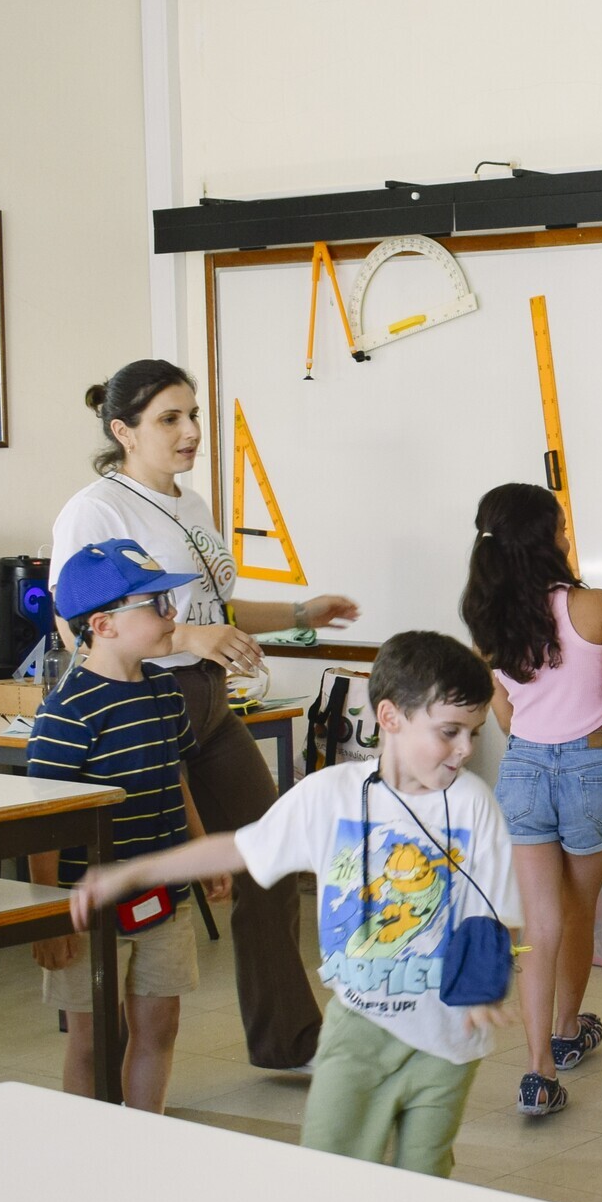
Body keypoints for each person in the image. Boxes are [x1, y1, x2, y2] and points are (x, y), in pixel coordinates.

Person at [71, 632, 523, 1178]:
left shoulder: (474, 804)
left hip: (448, 1039)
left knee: (422, 1180)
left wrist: (484, 986)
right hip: (357, 1029)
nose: (465, 749)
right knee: (329, 1171)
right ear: (390, 716)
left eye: (473, 733)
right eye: (449, 732)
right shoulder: (329, 796)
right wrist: (133, 872)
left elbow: (493, 913)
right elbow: (238, 847)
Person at [53, 361, 361, 1072]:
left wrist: (299, 612)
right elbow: (79, 625)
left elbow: (213, 607)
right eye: (170, 418)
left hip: (207, 703)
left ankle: (289, 1043)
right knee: (133, 880)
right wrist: (186, 639)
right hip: (137, 706)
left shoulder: (190, 504)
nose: (191, 431)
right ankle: (100, 1061)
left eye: (193, 414)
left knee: (273, 855)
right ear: (124, 430)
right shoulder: (96, 510)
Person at [463, 483, 602, 1116]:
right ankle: (567, 1028)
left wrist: (532, 741)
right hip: (589, 769)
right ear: (543, 538)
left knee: (540, 924)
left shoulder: (489, 616)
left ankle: (538, 1072)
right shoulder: (595, 604)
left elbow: (502, 708)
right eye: (559, 526)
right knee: (580, 911)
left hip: (523, 769)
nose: (566, 534)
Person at [26, 539, 224, 1112]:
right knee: (93, 1040)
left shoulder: (165, 690)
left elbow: (176, 779)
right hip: (87, 907)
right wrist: (47, 915)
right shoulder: (68, 712)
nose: (172, 615)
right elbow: (45, 819)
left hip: (164, 897)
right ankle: (91, 1145)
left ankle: (144, 1134)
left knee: (159, 1027)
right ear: (103, 625)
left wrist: (203, 851)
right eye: (156, 604)